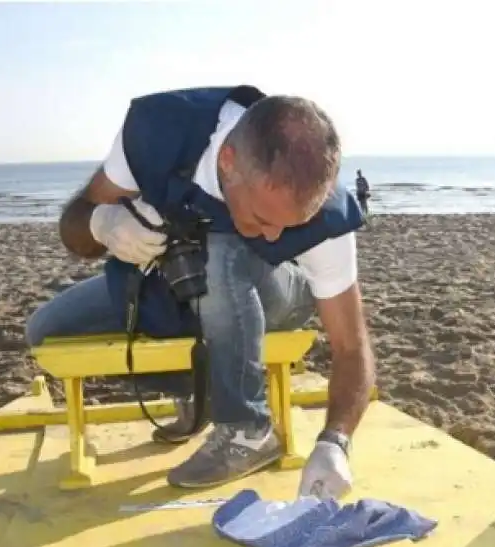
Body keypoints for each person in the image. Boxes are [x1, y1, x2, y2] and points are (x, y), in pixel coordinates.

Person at [25, 85, 376, 500]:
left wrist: (335, 442)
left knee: (222, 251)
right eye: (263, 217)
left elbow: (352, 346)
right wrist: (102, 223)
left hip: (277, 294)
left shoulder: (324, 213)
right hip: (176, 285)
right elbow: (75, 228)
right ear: (228, 162)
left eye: (292, 224)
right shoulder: (157, 134)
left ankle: (247, 431)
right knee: (47, 331)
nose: (275, 235)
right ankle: (196, 392)